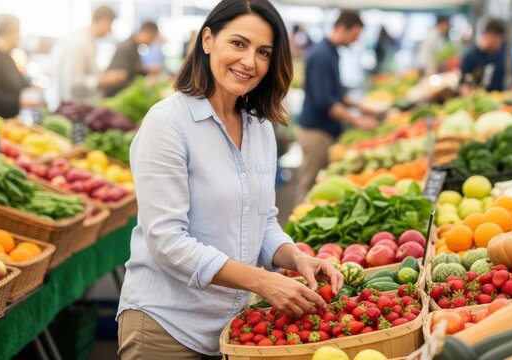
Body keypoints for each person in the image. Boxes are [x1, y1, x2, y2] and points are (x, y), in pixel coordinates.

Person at [116, 0, 343, 358]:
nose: (250, 62)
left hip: (236, 326)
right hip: (168, 328)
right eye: (238, 44)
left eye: (263, 52)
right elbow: (166, 241)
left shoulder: (260, 129)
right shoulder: (168, 124)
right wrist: (263, 281)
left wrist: (295, 258)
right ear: (208, 40)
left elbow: (262, 221)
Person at [295, 9, 379, 203]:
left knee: (322, 186)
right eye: (355, 35)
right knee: (310, 187)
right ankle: (293, 228)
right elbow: (326, 102)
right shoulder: (321, 55)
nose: (356, 41)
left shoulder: (331, 53)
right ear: (342, 28)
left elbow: (339, 95)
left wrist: (366, 109)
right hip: (315, 132)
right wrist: (358, 120)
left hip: (325, 131)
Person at [54, 5, 126, 106]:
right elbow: (73, 83)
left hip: (83, 106)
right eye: (110, 25)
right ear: (104, 21)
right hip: (74, 108)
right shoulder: (80, 42)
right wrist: (103, 81)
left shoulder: (89, 41)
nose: (110, 31)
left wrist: (106, 76)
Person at [459, 18, 512, 93]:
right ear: (486, 35)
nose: (498, 43)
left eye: (500, 39)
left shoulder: (504, 56)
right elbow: (463, 85)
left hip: (499, 100)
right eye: (495, 38)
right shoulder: (471, 57)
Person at [103, 21, 160, 97]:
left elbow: (133, 69)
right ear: (146, 32)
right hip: (114, 94)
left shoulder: (133, 46)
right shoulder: (127, 47)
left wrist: (147, 71)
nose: (152, 42)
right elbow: (123, 74)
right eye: (152, 37)